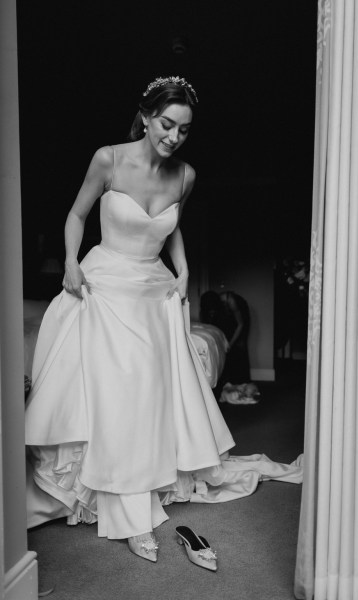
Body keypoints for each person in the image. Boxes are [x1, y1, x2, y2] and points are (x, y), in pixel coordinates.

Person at [25, 76, 235, 568]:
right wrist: (71, 262)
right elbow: (77, 214)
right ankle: (125, 509)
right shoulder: (109, 158)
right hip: (103, 285)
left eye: (184, 130)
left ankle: (142, 480)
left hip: (153, 292)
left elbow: (171, 224)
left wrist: (182, 270)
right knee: (117, 387)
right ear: (145, 115)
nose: (173, 137)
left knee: (148, 391)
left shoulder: (185, 175)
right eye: (166, 124)